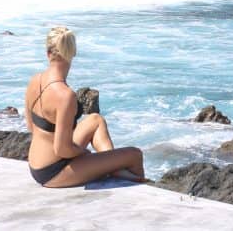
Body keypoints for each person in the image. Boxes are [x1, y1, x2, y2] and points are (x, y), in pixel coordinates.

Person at [24, 26, 147, 187]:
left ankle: (114, 167)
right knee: (135, 155)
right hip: (54, 172)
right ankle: (133, 196)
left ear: (48, 53)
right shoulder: (65, 95)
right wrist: (83, 152)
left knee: (95, 120)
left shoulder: (35, 80)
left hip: (35, 165)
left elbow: (31, 126)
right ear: (72, 53)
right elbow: (62, 149)